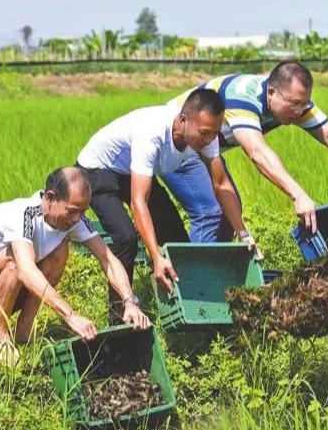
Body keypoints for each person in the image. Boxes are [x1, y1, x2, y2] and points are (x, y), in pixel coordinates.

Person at [160, 61, 328, 241]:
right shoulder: (242, 96)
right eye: (293, 103)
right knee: (210, 211)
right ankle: (193, 290)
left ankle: (211, 278)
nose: (298, 112)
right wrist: (299, 195)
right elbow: (257, 151)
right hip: (175, 141)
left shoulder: (295, 104)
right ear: (271, 92)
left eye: (303, 104)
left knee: (229, 214)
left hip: (206, 147)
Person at [0, 166, 150, 366]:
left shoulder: (74, 220)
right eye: (72, 211)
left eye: (82, 212)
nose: (77, 218)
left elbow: (108, 258)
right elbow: (25, 270)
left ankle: (23, 332)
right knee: (15, 261)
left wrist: (130, 302)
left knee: (60, 251)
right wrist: (70, 315)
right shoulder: (23, 213)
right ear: (50, 198)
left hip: (6, 291)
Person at [75, 87, 240, 313]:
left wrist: (244, 233)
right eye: (204, 133)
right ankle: (121, 313)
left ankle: (189, 306)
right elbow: (138, 203)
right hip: (97, 170)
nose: (210, 139)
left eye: (214, 133)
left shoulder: (207, 134)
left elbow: (221, 185)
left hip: (130, 170)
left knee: (176, 236)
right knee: (126, 238)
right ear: (183, 120)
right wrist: (155, 255)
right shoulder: (152, 134)